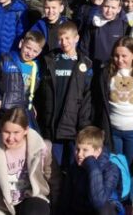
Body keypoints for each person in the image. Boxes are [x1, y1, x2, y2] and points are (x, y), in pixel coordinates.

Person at [93, 36, 133, 212]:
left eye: (124, 56)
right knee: (114, 166)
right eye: (116, 56)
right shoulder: (106, 73)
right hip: (113, 129)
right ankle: (115, 201)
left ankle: (128, 201)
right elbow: (100, 102)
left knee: (132, 168)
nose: (119, 60)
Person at [0, 107, 60, 215]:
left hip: (32, 199)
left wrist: (57, 208)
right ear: (1, 129)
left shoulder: (41, 148)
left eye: (16, 132)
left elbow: (54, 181)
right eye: (6, 132)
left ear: (25, 130)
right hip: (2, 206)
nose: (11, 138)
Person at [36, 22, 93, 163]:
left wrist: (83, 126)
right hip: (52, 126)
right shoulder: (49, 60)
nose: (64, 42)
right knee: (54, 167)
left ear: (76, 38)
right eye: (60, 39)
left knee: (74, 167)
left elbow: (87, 97)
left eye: (67, 38)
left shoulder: (85, 64)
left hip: (73, 127)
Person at [62, 126, 123, 215]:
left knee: (103, 210)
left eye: (85, 150)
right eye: (77, 149)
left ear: (98, 152)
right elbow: (65, 199)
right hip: (80, 210)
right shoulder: (74, 168)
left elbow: (99, 201)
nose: (79, 154)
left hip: (103, 209)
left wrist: (93, 167)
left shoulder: (111, 169)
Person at [0, 31, 45, 125]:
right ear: (21, 43)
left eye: (35, 51)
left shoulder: (36, 68)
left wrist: (32, 104)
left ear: (39, 52)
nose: (30, 53)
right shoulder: (6, 59)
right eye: (28, 48)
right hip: (5, 111)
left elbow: (31, 92)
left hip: (24, 113)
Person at [83, 0, 129, 68]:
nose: (109, 11)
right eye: (106, 6)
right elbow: (84, 48)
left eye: (113, 7)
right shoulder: (93, 24)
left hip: (116, 69)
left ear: (119, 9)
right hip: (95, 69)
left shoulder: (125, 26)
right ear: (102, 6)